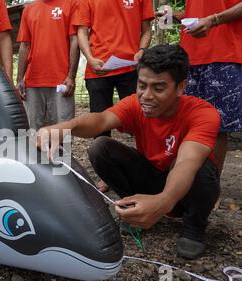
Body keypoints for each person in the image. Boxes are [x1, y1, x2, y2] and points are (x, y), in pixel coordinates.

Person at [37, 45, 221, 259]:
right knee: (101, 147)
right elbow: (101, 120)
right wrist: (65, 127)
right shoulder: (135, 104)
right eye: (142, 85)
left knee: (203, 169)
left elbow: (186, 163)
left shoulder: (203, 114)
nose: (147, 96)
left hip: (183, 188)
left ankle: (194, 226)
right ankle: (133, 207)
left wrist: (164, 201)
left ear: (181, 87)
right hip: (150, 176)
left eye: (159, 88)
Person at [158, 1, 242, 209]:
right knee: (182, 122)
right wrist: (175, 15)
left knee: (217, 127)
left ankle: (210, 188)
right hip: (189, 57)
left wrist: (214, 20)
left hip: (224, 54)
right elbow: (199, 12)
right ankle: (179, 184)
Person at [73, 0, 154, 192]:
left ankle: (150, 168)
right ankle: (106, 175)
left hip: (131, 67)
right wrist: (90, 59)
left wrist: (142, 51)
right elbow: (82, 31)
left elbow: (147, 28)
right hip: (99, 68)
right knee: (100, 125)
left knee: (143, 121)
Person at [16, 0, 80, 131]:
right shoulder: (28, 10)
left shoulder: (71, 4)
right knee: (31, 131)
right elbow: (25, 45)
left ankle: (62, 153)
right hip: (32, 81)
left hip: (61, 81)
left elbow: (75, 40)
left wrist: (71, 76)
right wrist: (19, 79)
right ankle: (33, 152)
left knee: (63, 130)